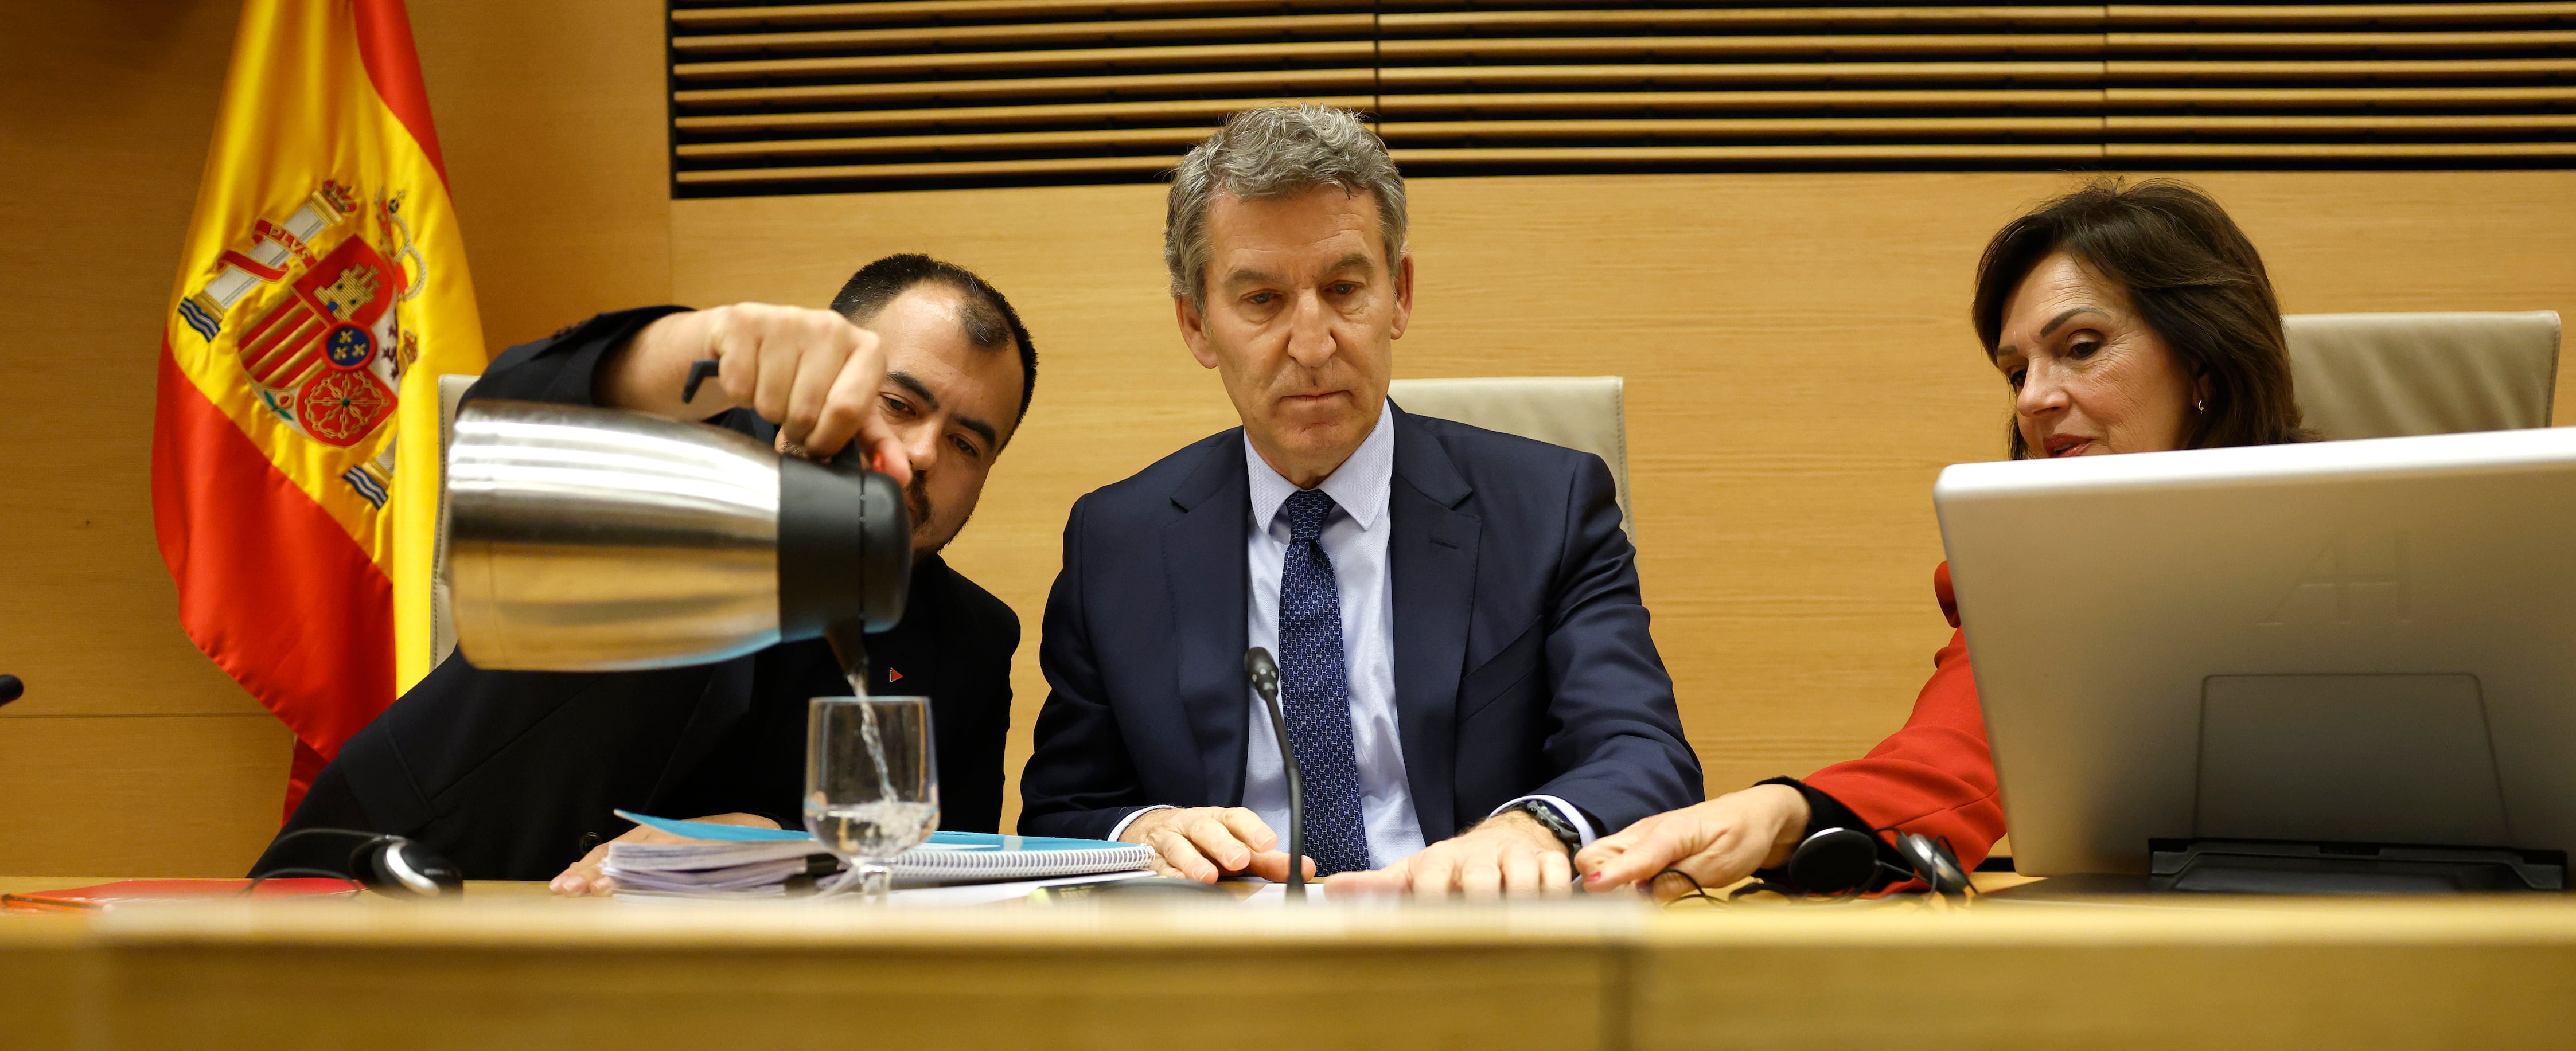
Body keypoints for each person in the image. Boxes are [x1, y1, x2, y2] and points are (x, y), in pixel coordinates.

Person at [1018, 104, 1699, 896]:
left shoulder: (1550, 508)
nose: (1312, 344)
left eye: (1344, 288)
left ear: (1398, 295)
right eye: (1263, 301)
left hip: (1477, 947)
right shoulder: (1117, 541)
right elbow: (1062, 811)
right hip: (1224, 967)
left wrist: (1529, 828)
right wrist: (1148, 830)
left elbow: (1646, 752)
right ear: (1197, 325)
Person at [1577, 178, 2307, 896]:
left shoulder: (2397, 528)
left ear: (2204, 362)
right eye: (2016, 371)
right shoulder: (2033, 566)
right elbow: (1941, 766)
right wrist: (1779, 815)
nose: (2032, 398)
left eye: (2081, 347)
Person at [253, 255, 1038, 892]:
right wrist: (707, 347)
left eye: (969, 444)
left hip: (700, 1013)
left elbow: (942, 875)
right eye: (900, 404)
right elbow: (514, 415)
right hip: (406, 888)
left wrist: (766, 843)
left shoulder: (969, 638)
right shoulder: (684, 450)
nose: (927, 453)